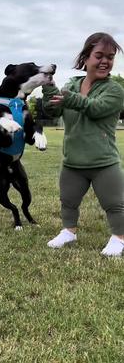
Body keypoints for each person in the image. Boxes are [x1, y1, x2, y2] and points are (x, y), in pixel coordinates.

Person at [42, 32, 124, 257]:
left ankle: (119, 237)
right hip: (73, 160)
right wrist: (48, 88)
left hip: (103, 161)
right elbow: (53, 109)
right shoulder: (72, 85)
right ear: (86, 58)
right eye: (99, 55)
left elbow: (95, 108)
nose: (105, 61)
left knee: (114, 204)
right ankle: (69, 231)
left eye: (110, 57)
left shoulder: (115, 90)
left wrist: (69, 98)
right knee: (68, 201)